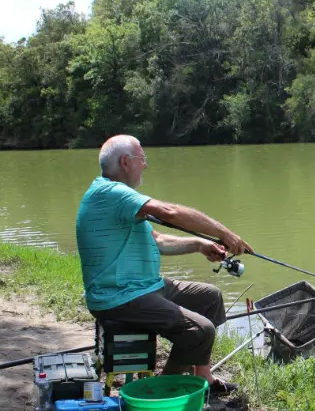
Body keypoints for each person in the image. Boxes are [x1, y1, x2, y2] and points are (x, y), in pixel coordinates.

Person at [75, 134, 252, 394]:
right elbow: (170, 212)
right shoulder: (111, 193)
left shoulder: (118, 198)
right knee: (200, 331)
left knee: (210, 297)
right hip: (119, 297)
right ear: (126, 162)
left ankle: (204, 378)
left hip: (143, 287)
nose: (145, 165)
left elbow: (157, 240)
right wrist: (225, 234)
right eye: (142, 159)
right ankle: (160, 390)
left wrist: (199, 245)